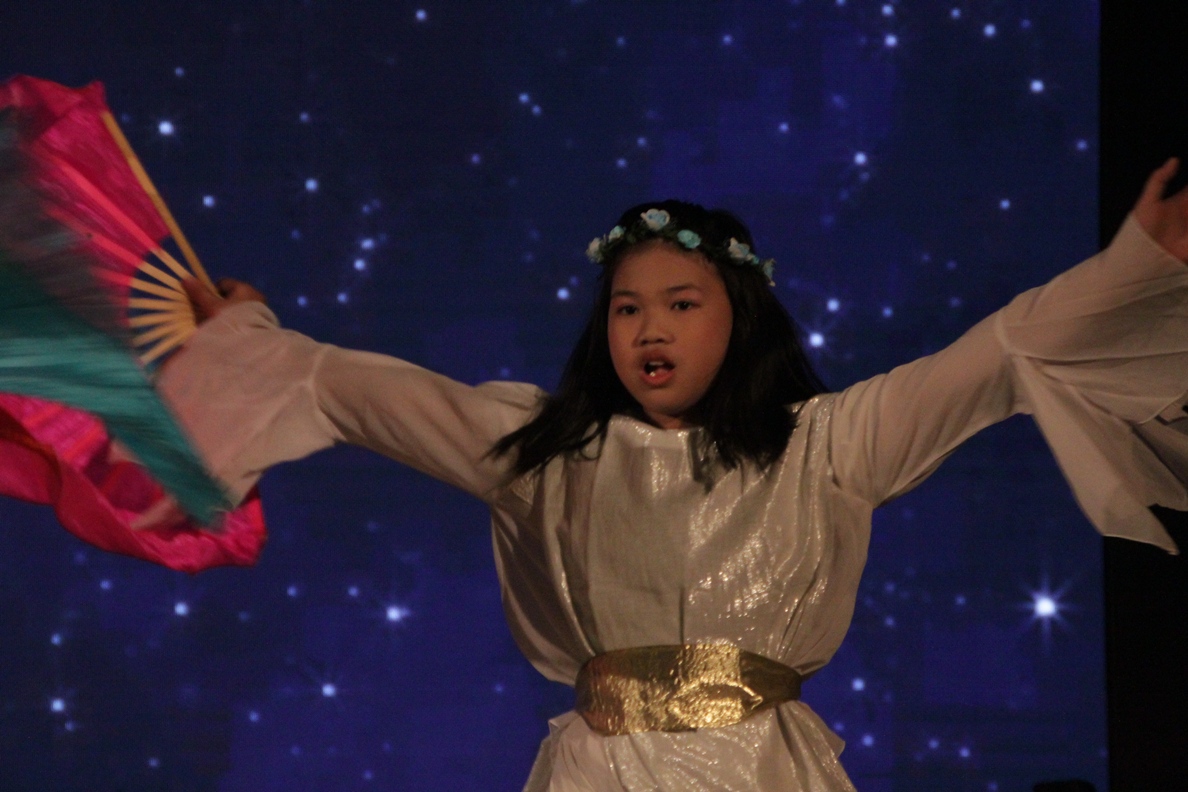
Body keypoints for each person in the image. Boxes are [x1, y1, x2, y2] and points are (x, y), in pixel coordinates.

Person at [163, 161, 1188, 790]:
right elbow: (356, 389)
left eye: (681, 303)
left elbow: (995, 357)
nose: (649, 328)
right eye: (627, 308)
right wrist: (252, 336)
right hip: (599, 771)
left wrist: (1134, 269)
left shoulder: (827, 443)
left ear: (738, 318)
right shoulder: (543, 450)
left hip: (759, 771)